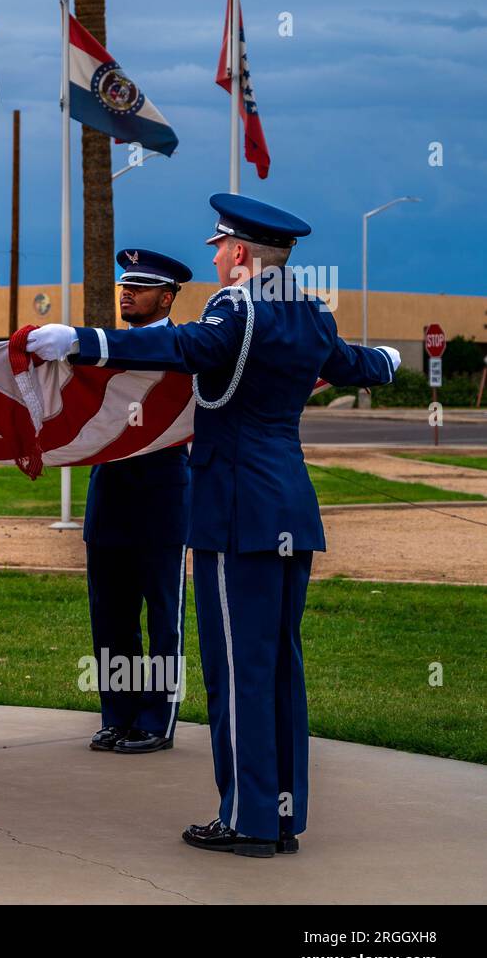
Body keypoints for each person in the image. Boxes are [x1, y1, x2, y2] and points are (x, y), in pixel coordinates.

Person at [27, 194, 400, 857]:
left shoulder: (239, 307)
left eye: (221, 247)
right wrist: (391, 363)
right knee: (282, 666)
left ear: (242, 254)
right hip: (290, 508)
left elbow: (183, 344)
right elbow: (350, 363)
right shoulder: (311, 313)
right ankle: (283, 811)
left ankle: (247, 818)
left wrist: (85, 341)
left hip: (236, 512)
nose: (217, 256)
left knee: (237, 671)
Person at [84, 249, 192, 756]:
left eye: (141, 287)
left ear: (167, 297)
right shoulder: (106, 350)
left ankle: (156, 719)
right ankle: (118, 714)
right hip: (110, 495)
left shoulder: (185, 345)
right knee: (111, 616)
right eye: (125, 285)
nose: (126, 292)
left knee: (161, 616)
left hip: (161, 499)